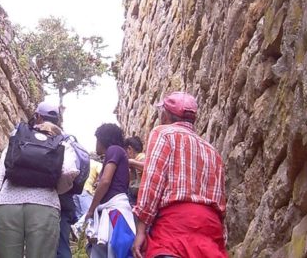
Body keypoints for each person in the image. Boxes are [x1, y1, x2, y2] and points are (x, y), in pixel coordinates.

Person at [0, 102, 79, 258]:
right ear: (57, 121)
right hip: (44, 207)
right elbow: (69, 172)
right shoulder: (62, 143)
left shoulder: (18, 139)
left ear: (36, 117)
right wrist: (52, 187)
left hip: (6, 206)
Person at [132, 92, 227, 258]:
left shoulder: (163, 133)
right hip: (211, 232)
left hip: (175, 229)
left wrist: (140, 229)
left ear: (165, 114)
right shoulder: (213, 152)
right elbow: (220, 202)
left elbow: (152, 182)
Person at [85, 123, 135, 258]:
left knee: (112, 251)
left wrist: (91, 209)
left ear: (102, 139)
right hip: (116, 208)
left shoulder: (113, 150)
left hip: (114, 211)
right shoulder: (121, 153)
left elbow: (105, 181)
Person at [124, 136, 146, 205]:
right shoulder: (135, 161)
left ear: (129, 149)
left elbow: (149, 168)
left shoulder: (142, 157)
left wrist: (132, 163)